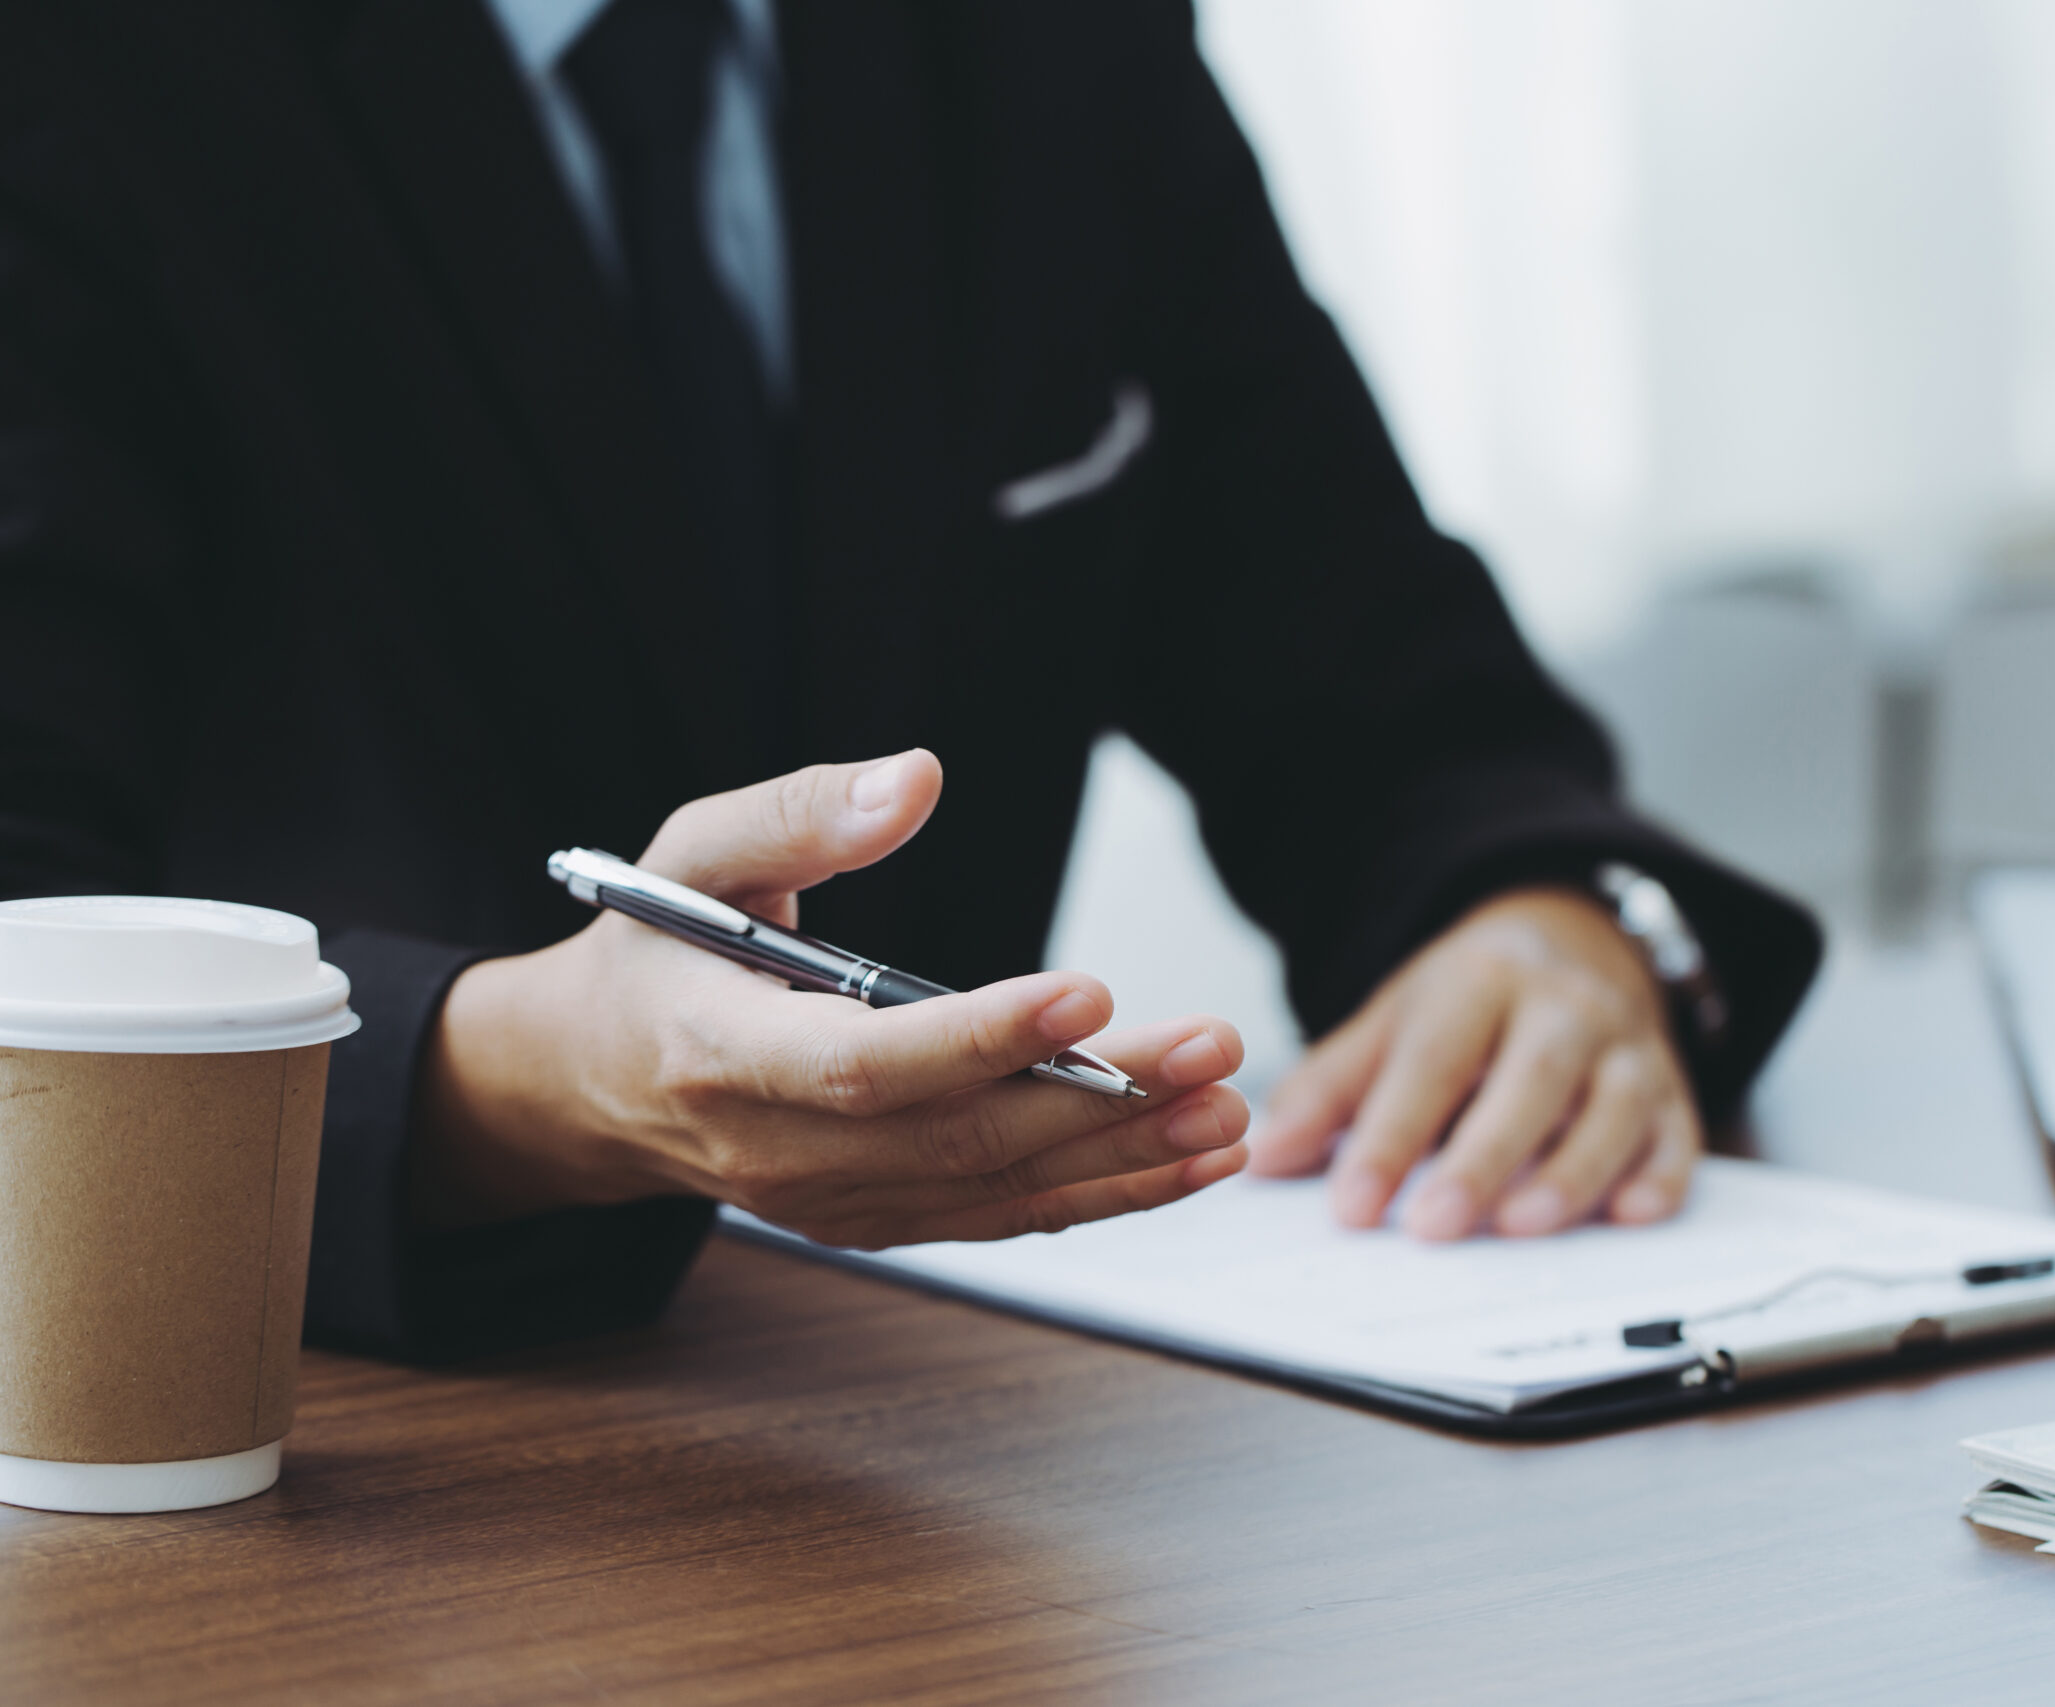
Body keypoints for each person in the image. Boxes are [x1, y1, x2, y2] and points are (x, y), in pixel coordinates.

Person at [0, 0, 1820, 1363]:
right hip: (282, 1451)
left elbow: (1386, 690)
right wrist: (512, 1085)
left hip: (969, 1444)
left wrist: (1540, 917)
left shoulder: (1049, 44)